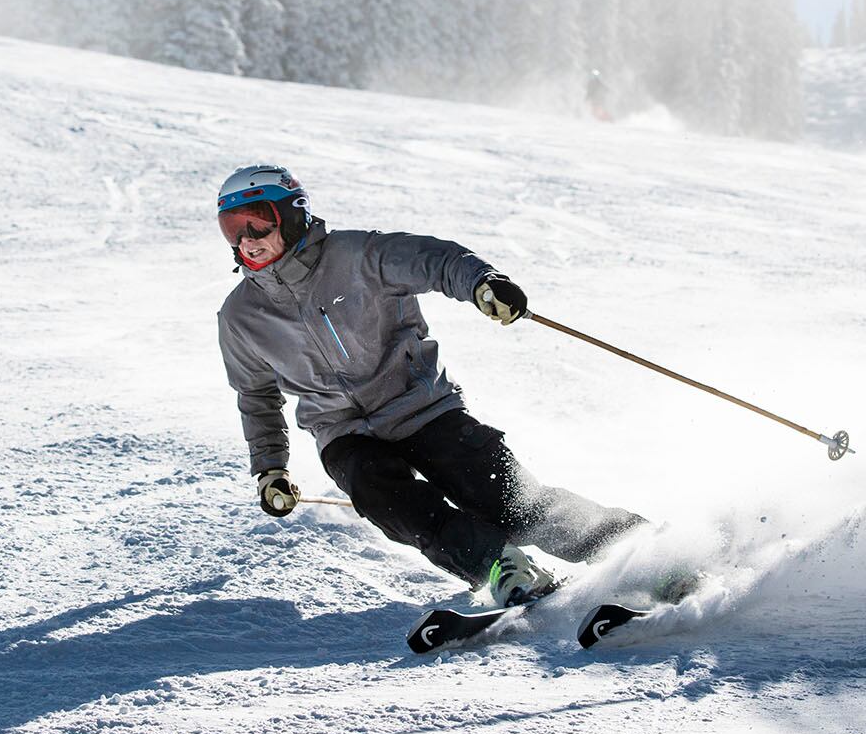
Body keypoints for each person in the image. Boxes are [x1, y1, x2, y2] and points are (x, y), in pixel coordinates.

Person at [215, 164, 645, 607]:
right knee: (389, 499)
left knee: (502, 498)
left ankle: (638, 548)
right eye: (232, 228)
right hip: (343, 433)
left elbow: (437, 260)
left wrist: (482, 284)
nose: (247, 238)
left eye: (258, 221)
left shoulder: (359, 255)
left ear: (290, 214)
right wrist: (271, 469)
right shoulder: (241, 316)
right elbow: (256, 397)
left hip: (421, 407)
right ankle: (502, 567)